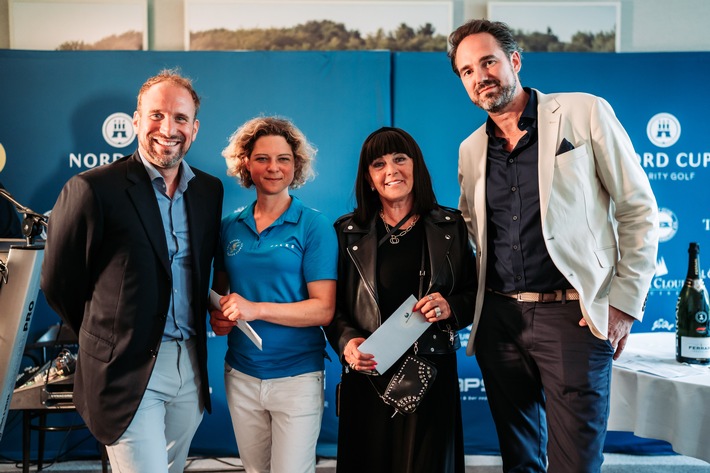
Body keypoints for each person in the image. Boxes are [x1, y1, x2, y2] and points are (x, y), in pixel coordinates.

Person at [448, 19, 659, 473]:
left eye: (488, 62)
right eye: (467, 70)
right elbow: (471, 235)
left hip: (573, 318)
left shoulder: (584, 112)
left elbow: (638, 209)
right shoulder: (470, 150)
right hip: (500, 322)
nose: (480, 76)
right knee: (519, 461)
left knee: (575, 463)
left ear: (514, 60)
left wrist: (624, 304)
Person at [40, 69, 223, 473]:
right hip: (124, 368)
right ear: (136, 121)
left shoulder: (208, 191)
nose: (168, 129)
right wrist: (106, 337)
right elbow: (59, 284)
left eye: (180, 118)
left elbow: (198, 269)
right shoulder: (92, 188)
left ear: (194, 129)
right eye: (156, 115)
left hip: (190, 367)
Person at [325, 127, 477, 473]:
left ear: (415, 166)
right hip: (369, 374)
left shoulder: (450, 226)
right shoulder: (346, 232)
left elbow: (475, 293)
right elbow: (332, 309)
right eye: (378, 164)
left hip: (431, 374)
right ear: (369, 178)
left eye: (399, 159)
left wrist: (451, 307)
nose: (391, 171)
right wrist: (347, 342)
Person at [209, 116, 337, 473]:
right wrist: (219, 317)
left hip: (297, 377)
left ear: (296, 165)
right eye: (262, 158)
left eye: (283, 159)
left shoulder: (314, 225)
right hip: (241, 374)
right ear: (246, 164)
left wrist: (256, 309)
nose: (273, 168)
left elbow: (323, 310)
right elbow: (219, 294)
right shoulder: (230, 225)